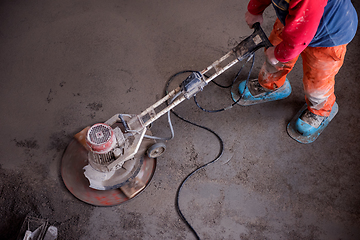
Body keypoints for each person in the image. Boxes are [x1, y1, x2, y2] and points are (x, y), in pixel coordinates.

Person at [238, 0, 358, 143]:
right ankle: (272, 85)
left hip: (328, 37)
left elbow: (302, 33)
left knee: (316, 83)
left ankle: (320, 110)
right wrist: (255, 9)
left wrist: (280, 54)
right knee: (273, 57)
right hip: (293, 20)